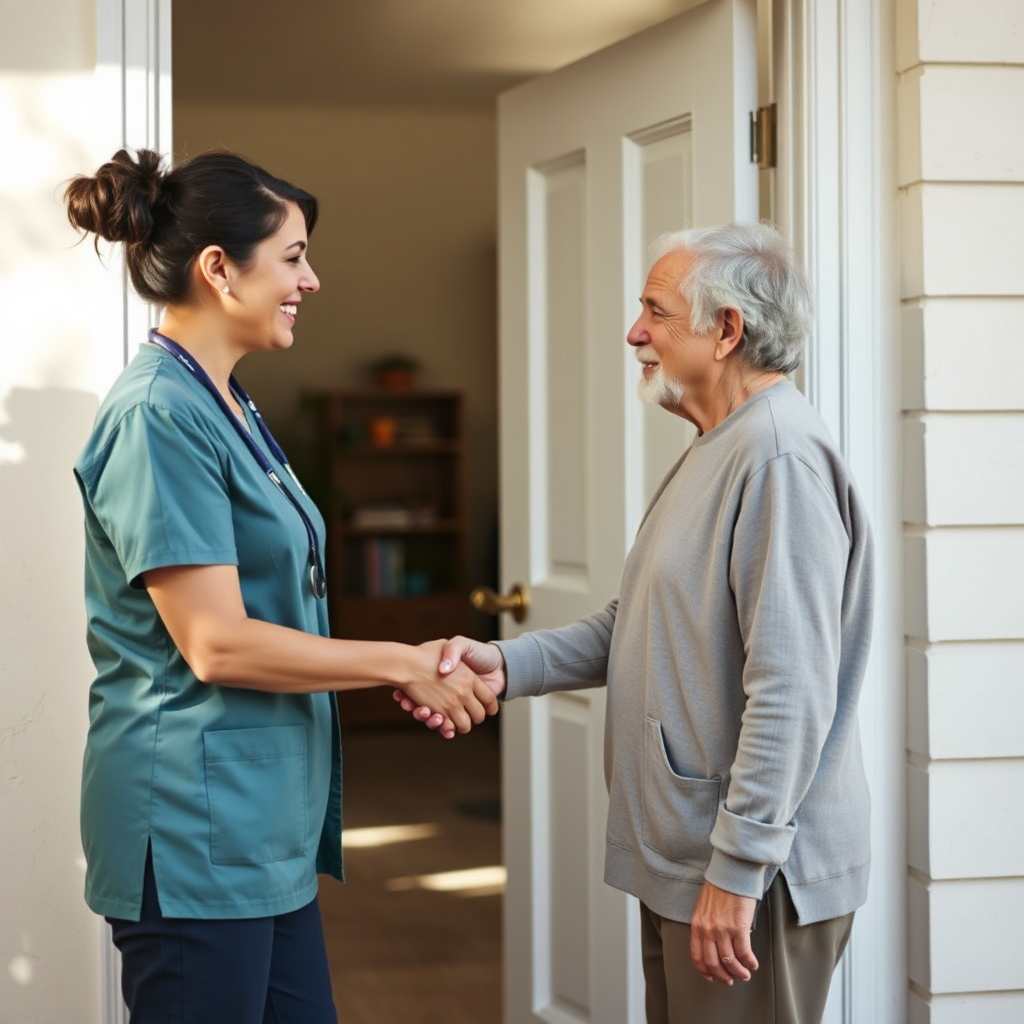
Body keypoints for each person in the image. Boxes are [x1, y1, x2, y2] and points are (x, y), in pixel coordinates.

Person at [400, 222, 874, 1024]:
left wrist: (738, 869)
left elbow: (791, 687)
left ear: (727, 330)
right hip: (698, 863)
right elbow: (644, 619)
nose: (634, 332)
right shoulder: (716, 445)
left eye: (655, 310)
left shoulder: (779, 459)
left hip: (752, 880)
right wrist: (506, 664)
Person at [65, 147, 497, 1024]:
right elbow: (215, 641)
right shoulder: (157, 413)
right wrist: (401, 663)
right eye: (293, 256)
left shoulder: (227, 402)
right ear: (219, 269)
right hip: (192, 830)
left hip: (259, 833)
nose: (313, 279)